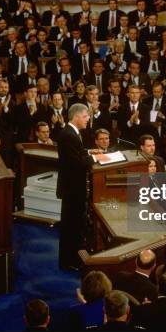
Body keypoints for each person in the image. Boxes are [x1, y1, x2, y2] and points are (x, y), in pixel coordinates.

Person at [56, 103, 107, 270]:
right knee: (71, 226)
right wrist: (96, 159)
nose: (88, 119)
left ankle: (70, 259)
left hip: (73, 188)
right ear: (76, 116)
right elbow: (76, 163)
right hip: (72, 189)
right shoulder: (69, 135)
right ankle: (69, 261)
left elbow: (76, 154)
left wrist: (89, 152)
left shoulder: (72, 133)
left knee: (74, 225)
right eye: (86, 117)